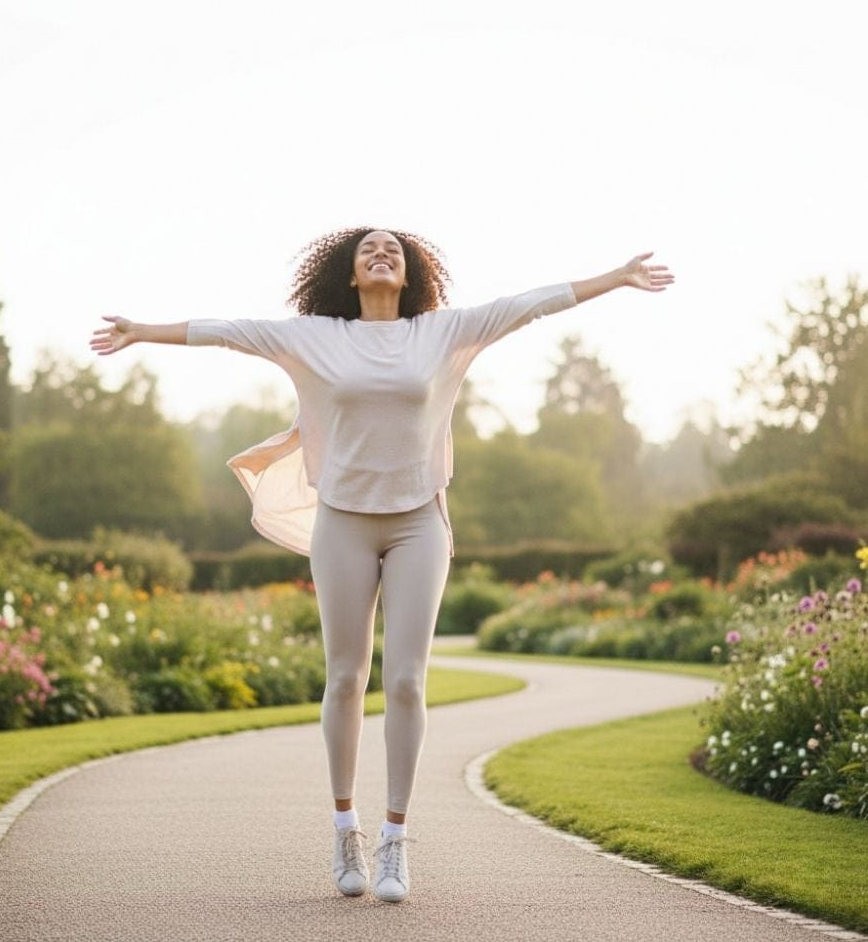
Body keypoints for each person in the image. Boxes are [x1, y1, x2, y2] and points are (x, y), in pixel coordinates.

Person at [89, 227, 674, 903]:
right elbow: (227, 330)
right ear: (349, 272)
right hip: (342, 522)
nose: (382, 251)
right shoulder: (316, 337)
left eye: (394, 247)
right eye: (369, 247)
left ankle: (396, 838)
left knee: (405, 682)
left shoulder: (441, 332)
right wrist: (141, 331)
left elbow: (532, 303)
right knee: (345, 677)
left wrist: (618, 275)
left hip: (419, 522)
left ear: (410, 271)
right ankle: (346, 827)